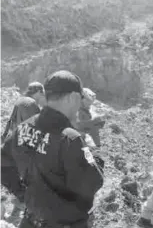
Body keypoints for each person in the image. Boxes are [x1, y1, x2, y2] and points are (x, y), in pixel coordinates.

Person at [1, 70, 104, 228]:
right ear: (73, 97)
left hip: (30, 220)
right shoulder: (70, 139)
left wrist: (24, 195)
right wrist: (93, 150)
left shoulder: (24, 127)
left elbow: (3, 164)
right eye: (79, 100)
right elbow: (93, 182)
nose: (78, 107)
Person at [1, 82, 45, 224]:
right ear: (38, 91)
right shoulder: (30, 103)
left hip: (12, 147)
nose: (43, 96)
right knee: (26, 187)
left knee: (18, 186)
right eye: (42, 93)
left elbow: (10, 123)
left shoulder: (20, 100)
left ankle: (15, 214)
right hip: (20, 151)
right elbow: (36, 126)